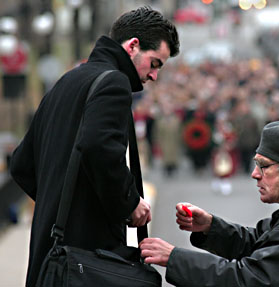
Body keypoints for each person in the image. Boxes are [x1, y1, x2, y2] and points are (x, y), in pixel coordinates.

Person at [9, 6, 179, 287]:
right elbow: (98, 146)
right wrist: (130, 203)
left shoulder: (67, 81)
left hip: (49, 258)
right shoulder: (114, 82)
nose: (154, 75)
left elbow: (20, 165)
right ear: (133, 46)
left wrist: (61, 201)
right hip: (85, 262)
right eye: (155, 63)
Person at [140, 120, 279, 286]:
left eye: (264, 166)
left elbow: (246, 280)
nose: (254, 174)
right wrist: (211, 227)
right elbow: (262, 242)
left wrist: (173, 257)